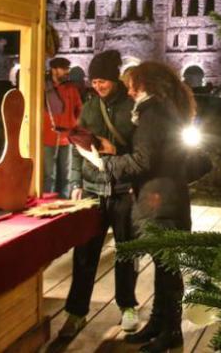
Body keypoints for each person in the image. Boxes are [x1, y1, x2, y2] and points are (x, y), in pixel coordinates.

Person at [77, 61, 195, 352]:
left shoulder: (153, 111)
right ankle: (158, 323)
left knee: (167, 267)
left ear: (147, 85)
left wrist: (103, 163)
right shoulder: (163, 108)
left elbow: (143, 161)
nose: (128, 91)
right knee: (162, 263)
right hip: (165, 195)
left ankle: (171, 331)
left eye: (133, 85)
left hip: (160, 200)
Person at [58, 50, 140, 337]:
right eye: (94, 81)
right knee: (84, 254)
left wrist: (117, 151)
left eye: (102, 80)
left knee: (126, 251)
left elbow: (142, 151)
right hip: (93, 189)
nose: (97, 85)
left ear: (115, 79)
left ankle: (128, 306)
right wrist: (75, 182)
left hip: (122, 190)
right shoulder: (90, 107)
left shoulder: (132, 108)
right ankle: (76, 312)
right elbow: (77, 145)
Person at [43, 57, 82, 197]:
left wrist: (73, 125)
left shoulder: (71, 88)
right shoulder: (43, 87)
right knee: (49, 177)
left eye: (67, 68)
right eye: (64, 68)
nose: (67, 71)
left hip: (67, 138)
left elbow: (79, 109)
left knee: (66, 177)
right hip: (47, 138)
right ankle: (47, 204)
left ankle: (64, 206)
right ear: (54, 69)